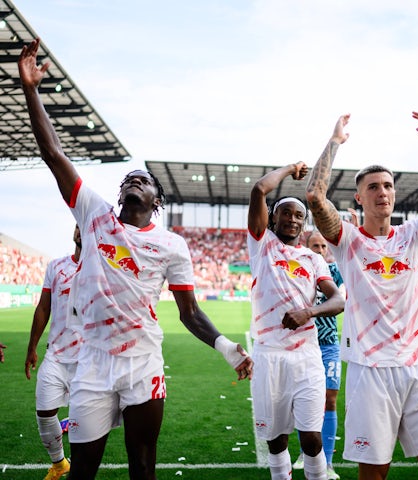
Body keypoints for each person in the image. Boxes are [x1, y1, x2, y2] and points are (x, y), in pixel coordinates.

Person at [19, 38, 253, 480]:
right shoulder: (93, 215)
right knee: (82, 467)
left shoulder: (171, 245)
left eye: (142, 180)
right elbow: (53, 154)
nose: (133, 181)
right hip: (92, 362)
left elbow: (189, 312)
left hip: (143, 361)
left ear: (156, 200)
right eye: (128, 178)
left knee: (143, 463)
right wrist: (32, 90)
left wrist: (226, 348)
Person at [305, 113, 418, 480]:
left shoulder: (413, 235)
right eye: (373, 187)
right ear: (359, 196)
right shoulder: (348, 239)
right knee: (374, 475)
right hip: (371, 370)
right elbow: (314, 197)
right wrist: (334, 143)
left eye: (387, 186)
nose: (382, 192)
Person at [248, 163, 345, 480]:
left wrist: (309, 312)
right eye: (286, 213)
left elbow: (337, 300)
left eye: (298, 216)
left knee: (311, 437)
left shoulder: (314, 259)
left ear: (305, 225)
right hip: (269, 355)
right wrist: (290, 169)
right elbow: (259, 190)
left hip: (306, 357)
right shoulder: (262, 247)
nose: (292, 219)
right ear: (273, 216)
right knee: (276, 440)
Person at [25, 225, 82, 480]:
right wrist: (32, 348)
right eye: (77, 224)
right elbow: (43, 308)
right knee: (45, 413)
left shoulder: (104, 268)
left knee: (88, 424)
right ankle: (60, 464)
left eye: (86, 225)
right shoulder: (56, 266)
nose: (80, 229)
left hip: (90, 360)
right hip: (56, 356)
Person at [292, 230, 345, 480]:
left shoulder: (334, 272)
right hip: (303, 345)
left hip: (329, 344)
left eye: (324, 246)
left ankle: (329, 462)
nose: (321, 251)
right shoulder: (299, 269)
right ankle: (307, 452)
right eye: (315, 246)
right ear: (305, 245)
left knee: (330, 400)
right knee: (304, 400)